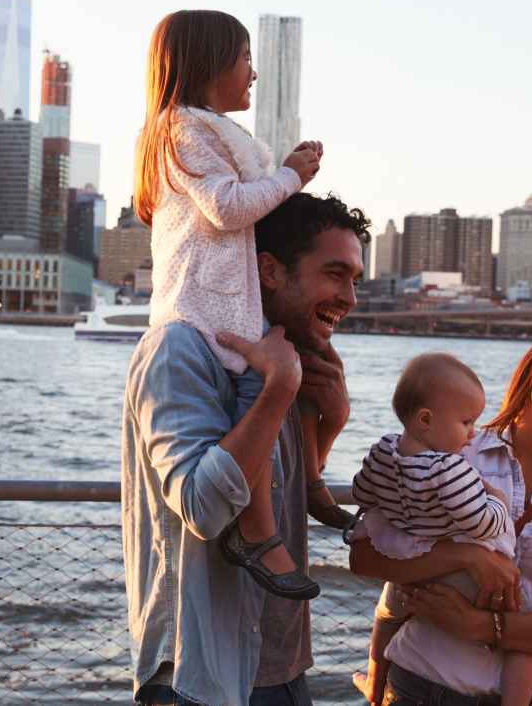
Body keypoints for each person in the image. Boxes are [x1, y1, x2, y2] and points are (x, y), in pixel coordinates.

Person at [133, 9, 350, 602]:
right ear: (209, 62)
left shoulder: (208, 130)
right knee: (262, 389)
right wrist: (290, 174)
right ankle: (258, 532)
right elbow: (227, 208)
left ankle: (305, 486)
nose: (253, 73)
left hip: (232, 298)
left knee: (290, 375)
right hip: (205, 301)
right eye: (245, 59)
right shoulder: (182, 129)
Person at [121, 191, 370, 706]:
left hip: (282, 667)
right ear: (271, 270)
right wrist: (277, 389)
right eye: (335, 274)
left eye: (354, 279)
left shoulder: (288, 355)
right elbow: (203, 507)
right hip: (202, 676)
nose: (349, 297)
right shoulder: (180, 348)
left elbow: (280, 492)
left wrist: (332, 421)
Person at [348, 322, 532, 706]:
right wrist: (467, 557)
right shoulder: (453, 450)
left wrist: (482, 627)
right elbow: (364, 556)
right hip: (418, 689)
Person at [348, 353, 532, 706]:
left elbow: (361, 491)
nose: (471, 434)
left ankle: (375, 684)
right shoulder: (450, 469)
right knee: (523, 644)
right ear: (425, 419)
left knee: (387, 615)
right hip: (461, 575)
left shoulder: (384, 450)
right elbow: (480, 522)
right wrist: (496, 499)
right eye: (466, 422)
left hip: (411, 564)